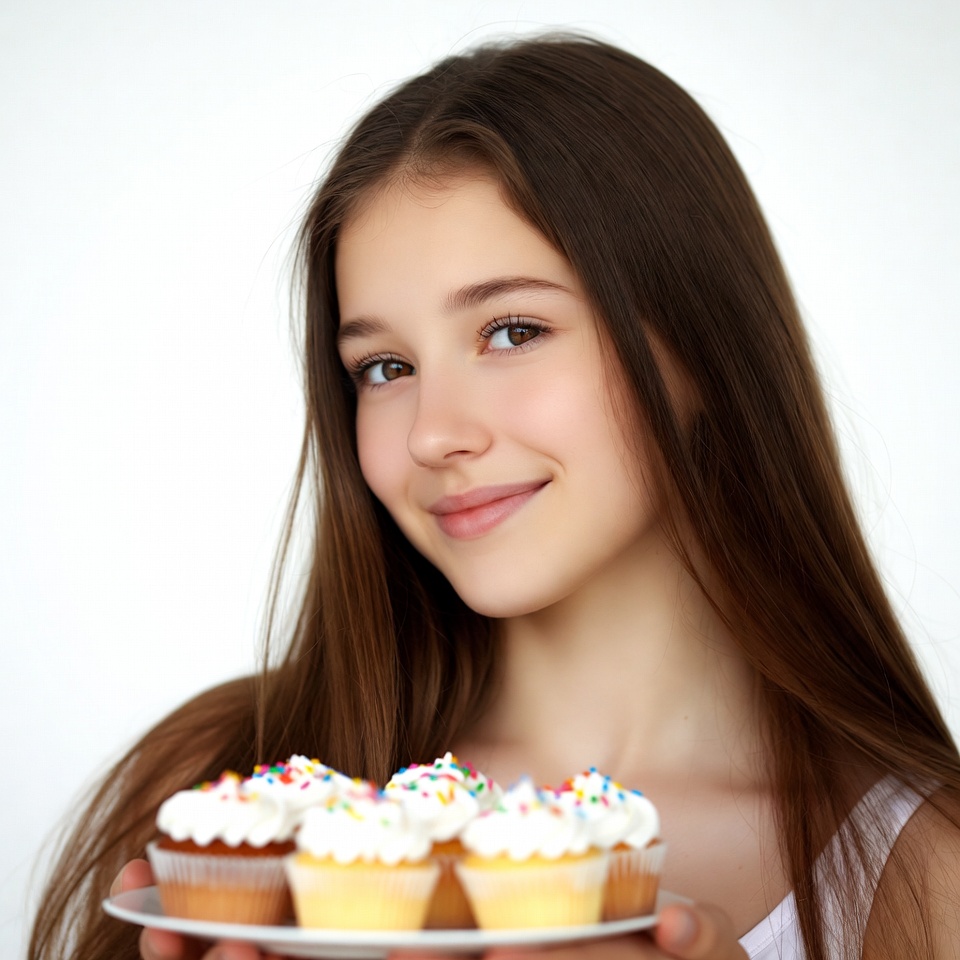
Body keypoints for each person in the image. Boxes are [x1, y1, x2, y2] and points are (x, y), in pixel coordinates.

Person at [28, 33, 960, 960]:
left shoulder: (924, 868)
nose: (433, 432)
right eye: (385, 366)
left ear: (703, 340)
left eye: (513, 331)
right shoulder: (212, 796)